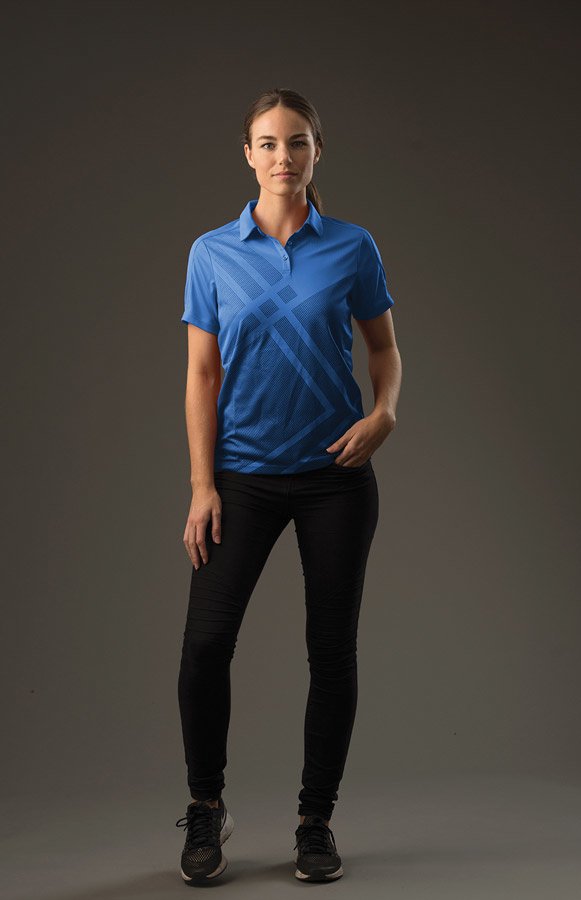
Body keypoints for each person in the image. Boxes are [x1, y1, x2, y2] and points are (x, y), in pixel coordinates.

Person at [174, 87, 402, 885]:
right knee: (206, 645)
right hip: (240, 478)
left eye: (297, 142)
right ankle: (206, 806)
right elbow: (202, 375)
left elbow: (383, 349)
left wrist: (384, 414)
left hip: (334, 479)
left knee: (330, 652)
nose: (283, 157)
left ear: (316, 152)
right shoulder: (211, 252)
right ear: (247, 155)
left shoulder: (352, 246)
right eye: (268, 143)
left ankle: (314, 821)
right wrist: (202, 485)